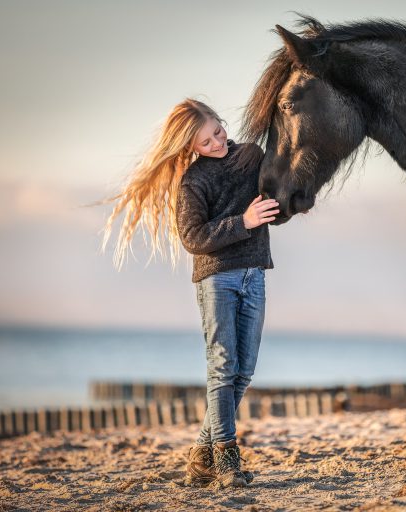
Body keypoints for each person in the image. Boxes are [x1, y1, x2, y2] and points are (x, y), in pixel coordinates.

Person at [102, 99, 278, 488]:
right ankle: (227, 459)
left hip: (255, 273)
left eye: (217, 131)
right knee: (223, 367)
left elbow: (273, 197)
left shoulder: (251, 155)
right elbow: (193, 238)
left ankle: (202, 453)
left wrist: (286, 204)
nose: (217, 142)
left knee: (244, 371)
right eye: (206, 142)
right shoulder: (193, 181)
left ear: (220, 121)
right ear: (190, 148)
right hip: (217, 279)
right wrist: (244, 221)